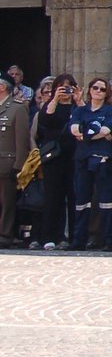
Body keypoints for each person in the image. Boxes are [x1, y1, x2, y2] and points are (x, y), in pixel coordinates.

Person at [30, 75, 77, 250]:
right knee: (52, 198)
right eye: (61, 87)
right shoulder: (50, 106)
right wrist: (55, 99)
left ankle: (73, 237)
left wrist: (77, 99)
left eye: (69, 87)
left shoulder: (77, 107)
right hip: (54, 158)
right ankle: (48, 236)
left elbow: (86, 120)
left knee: (74, 198)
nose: (65, 91)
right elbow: (45, 120)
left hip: (73, 157)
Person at [0, 76, 32, 247]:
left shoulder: (16, 109)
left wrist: (19, 165)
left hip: (6, 163)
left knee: (7, 202)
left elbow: (22, 140)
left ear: (3, 87)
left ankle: (5, 235)